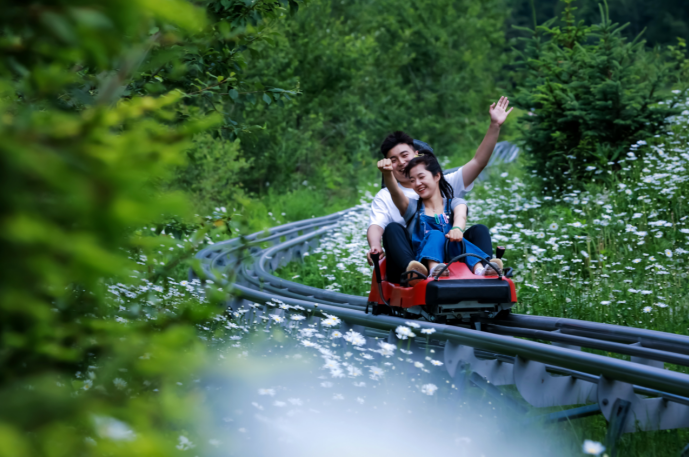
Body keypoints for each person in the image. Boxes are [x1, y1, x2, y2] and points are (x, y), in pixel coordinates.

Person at [367, 96, 513, 282]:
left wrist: (495, 126)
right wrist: (374, 246)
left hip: (450, 251)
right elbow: (377, 223)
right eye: (393, 160)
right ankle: (416, 272)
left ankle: (484, 271)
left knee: (478, 231)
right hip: (408, 258)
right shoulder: (395, 198)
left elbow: (478, 162)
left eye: (404, 156)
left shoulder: (445, 186)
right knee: (394, 229)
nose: (401, 163)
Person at [379, 151, 501, 284]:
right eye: (412, 180)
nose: (417, 183)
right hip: (422, 261)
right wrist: (387, 173)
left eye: (421, 177)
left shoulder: (454, 203)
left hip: (454, 255)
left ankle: (481, 270)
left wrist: (457, 229)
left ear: (437, 176)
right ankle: (429, 270)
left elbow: (461, 215)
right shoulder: (412, 207)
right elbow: (395, 192)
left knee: (478, 230)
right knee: (434, 234)